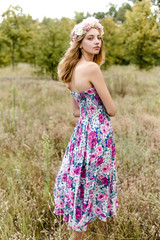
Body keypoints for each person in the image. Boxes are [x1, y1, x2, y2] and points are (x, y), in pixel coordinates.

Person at [53, 17, 119, 240]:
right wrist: (100, 110)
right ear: (80, 42)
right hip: (98, 134)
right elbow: (111, 109)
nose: (97, 42)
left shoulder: (70, 70)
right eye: (90, 38)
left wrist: (90, 110)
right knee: (90, 186)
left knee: (82, 184)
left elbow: (75, 111)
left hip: (81, 134)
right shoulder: (92, 68)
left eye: (99, 37)